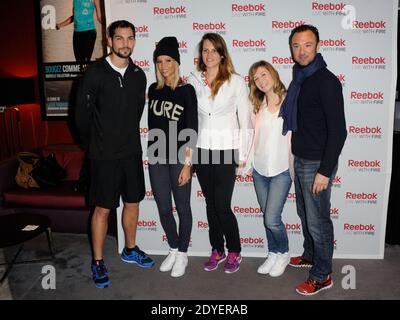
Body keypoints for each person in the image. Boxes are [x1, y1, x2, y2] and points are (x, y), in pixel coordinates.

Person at [75, 20, 154, 289]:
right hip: (103, 156)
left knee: (133, 203)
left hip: (131, 152)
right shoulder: (95, 73)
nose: (125, 44)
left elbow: (135, 114)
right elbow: (80, 118)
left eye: (130, 38)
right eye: (119, 38)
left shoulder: (138, 75)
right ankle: (98, 262)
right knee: (103, 209)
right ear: (109, 41)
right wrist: (95, 143)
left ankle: (130, 249)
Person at [282, 24, 347, 295]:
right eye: (296, 45)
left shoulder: (327, 81)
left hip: (317, 163)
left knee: (318, 221)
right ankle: (310, 255)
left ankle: (322, 275)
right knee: (305, 214)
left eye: (307, 45)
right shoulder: (300, 78)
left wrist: (325, 170)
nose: (302, 50)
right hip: (301, 158)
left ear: (318, 46)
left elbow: (339, 131)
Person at [189, 33, 253, 274]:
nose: (209, 55)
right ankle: (217, 249)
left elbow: (245, 119)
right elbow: (191, 119)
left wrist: (244, 156)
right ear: (201, 54)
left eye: (214, 50)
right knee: (209, 204)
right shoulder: (193, 79)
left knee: (222, 205)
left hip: (227, 150)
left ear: (222, 54)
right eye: (205, 50)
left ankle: (235, 250)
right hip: (203, 150)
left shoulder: (236, 81)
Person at [147, 37, 198, 277]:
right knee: (164, 207)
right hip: (157, 155)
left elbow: (192, 129)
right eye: (159, 61)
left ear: (176, 62)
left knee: (183, 206)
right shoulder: (153, 90)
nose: (163, 65)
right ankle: (174, 247)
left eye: (168, 60)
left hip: (179, 155)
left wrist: (188, 165)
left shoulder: (187, 91)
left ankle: (183, 254)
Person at [246, 60, 293, 277]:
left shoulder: (289, 102)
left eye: (264, 75)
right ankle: (273, 253)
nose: (261, 81)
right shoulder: (257, 107)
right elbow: (250, 136)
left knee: (272, 218)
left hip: (282, 171)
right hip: (260, 170)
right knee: (267, 215)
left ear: (273, 74)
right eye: (256, 79)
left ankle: (283, 253)